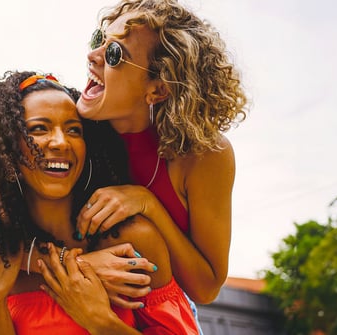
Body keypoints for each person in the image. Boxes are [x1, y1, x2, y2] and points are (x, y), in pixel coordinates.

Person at [0, 70, 198, 334]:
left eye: (73, 130)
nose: (60, 142)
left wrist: (101, 321)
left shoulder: (131, 243)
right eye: (39, 129)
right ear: (6, 149)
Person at [73, 0, 248, 330]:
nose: (92, 56)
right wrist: (82, 265)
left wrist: (148, 203)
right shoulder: (64, 129)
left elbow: (206, 287)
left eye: (114, 55)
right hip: (77, 296)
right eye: (99, 40)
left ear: (158, 88)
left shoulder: (203, 155)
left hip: (166, 316)